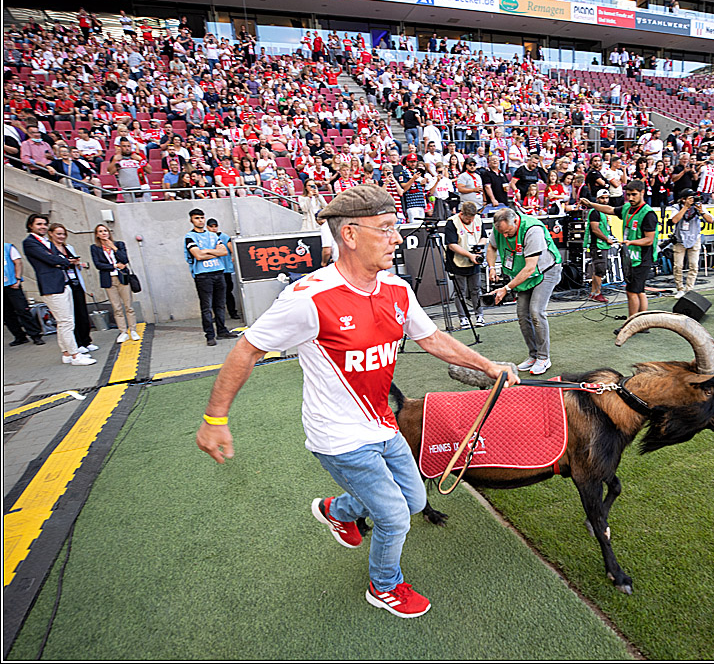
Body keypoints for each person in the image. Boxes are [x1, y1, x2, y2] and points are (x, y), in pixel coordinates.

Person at [195, 184, 516, 619]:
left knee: (417, 502)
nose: (397, 239)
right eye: (385, 229)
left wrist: (488, 366)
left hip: (383, 424)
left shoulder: (397, 289)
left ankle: (336, 510)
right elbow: (247, 349)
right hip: (339, 437)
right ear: (349, 234)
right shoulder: (308, 298)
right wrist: (215, 418)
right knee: (395, 517)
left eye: (396, 228)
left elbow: (434, 338)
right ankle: (384, 587)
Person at [486, 207, 562, 375]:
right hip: (523, 275)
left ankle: (544, 358)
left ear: (515, 221)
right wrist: (491, 268)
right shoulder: (500, 227)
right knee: (522, 314)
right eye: (502, 232)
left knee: (536, 311)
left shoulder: (532, 229)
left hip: (545, 271)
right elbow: (491, 247)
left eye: (508, 232)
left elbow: (530, 268)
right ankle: (533, 355)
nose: (505, 236)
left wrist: (506, 289)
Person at [581, 181, 658, 329]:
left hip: (642, 257)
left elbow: (649, 240)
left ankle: (631, 324)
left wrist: (631, 242)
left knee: (632, 291)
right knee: (639, 291)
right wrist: (592, 204)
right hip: (631, 258)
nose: (631, 198)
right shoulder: (628, 207)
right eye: (628, 195)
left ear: (642, 193)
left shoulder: (648, 213)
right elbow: (609, 209)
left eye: (634, 194)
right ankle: (642, 324)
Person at [21, 214, 95, 366]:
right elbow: (53, 259)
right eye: (39, 224)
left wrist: (60, 261)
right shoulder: (29, 242)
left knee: (65, 322)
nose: (42, 226)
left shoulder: (47, 242)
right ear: (30, 226)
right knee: (66, 322)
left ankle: (67, 353)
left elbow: (58, 258)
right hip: (52, 286)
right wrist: (61, 261)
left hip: (63, 283)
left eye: (44, 224)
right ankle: (75, 355)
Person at [184, 209, 237, 346]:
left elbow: (224, 251)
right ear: (191, 220)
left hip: (219, 272)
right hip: (203, 275)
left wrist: (206, 251)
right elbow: (198, 256)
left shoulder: (213, 236)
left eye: (202, 218)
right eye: (197, 218)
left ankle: (222, 331)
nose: (200, 220)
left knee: (220, 304)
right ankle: (210, 335)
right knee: (206, 307)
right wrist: (215, 253)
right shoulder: (190, 237)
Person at [48, 223, 98, 355]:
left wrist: (77, 263)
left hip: (76, 282)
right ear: (51, 233)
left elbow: (75, 265)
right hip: (63, 284)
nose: (61, 237)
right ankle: (77, 343)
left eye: (63, 234)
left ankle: (87, 341)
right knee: (70, 316)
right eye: (58, 234)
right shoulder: (49, 249)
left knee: (82, 313)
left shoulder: (68, 247)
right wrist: (67, 262)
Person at [90, 224, 140, 343]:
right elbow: (98, 265)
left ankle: (133, 329)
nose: (103, 233)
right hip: (109, 279)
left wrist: (114, 248)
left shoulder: (119, 244)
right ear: (97, 234)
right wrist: (114, 265)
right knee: (116, 307)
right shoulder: (95, 248)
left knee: (128, 305)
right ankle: (123, 331)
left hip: (122, 278)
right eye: (100, 231)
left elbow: (125, 260)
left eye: (105, 231)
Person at [444, 201, 487, 328]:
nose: (470, 220)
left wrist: (479, 246)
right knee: (460, 291)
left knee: (476, 289)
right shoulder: (452, 222)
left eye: (472, 218)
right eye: (468, 218)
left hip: (474, 260)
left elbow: (484, 236)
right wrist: (469, 255)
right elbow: (452, 245)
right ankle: (463, 318)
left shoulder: (478, 220)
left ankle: (479, 315)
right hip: (457, 261)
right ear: (461, 214)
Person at [670, 189, 714, 298]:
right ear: (683, 199)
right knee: (678, 266)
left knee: (694, 265)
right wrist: (685, 207)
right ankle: (680, 289)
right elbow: (674, 220)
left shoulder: (699, 206)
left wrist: (701, 212)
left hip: (695, 238)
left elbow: (710, 220)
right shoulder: (676, 207)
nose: (692, 200)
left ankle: (689, 289)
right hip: (680, 240)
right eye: (690, 198)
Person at [4, 241, 46, 347]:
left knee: (22, 310)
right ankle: (19, 337)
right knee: (6, 314)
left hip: (12, 285)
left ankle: (35, 335)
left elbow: (18, 262)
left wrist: (17, 279)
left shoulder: (7, 247)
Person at [583, 189, 615, 303]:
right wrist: (607, 239)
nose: (605, 200)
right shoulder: (595, 212)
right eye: (602, 198)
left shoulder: (603, 212)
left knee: (598, 270)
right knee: (600, 270)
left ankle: (593, 293)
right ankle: (597, 293)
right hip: (598, 245)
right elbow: (595, 229)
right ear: (597, 199)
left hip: (602, 244)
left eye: (606, 198)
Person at [207, 219, 240, 321]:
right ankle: (217, 316)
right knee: (213, 294)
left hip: (225, 270)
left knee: (228, 292)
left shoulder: (224, 237)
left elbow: (232, 250)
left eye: (215, 226)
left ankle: (232, 312)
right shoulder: (206, 238)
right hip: (212, 269)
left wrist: (232, 257)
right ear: (207, 227)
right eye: (211, 226)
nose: (214, 228)